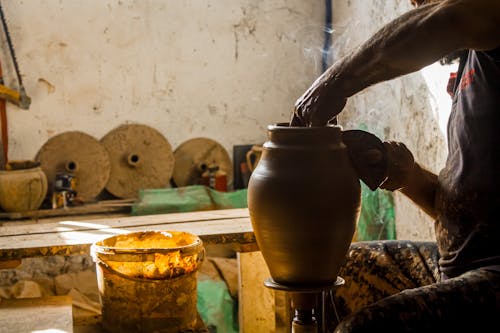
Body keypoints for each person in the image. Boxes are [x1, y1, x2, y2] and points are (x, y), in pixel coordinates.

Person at [291, 0, 500, 331]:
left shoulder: (487, 18)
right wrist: (406, 177)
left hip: (495, 275)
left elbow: (454, 18)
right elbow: (473, 211)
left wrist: (335, 82)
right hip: (459, 264)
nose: (413, 4)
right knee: (327, 274)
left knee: (361, 329)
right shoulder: (473, 63)